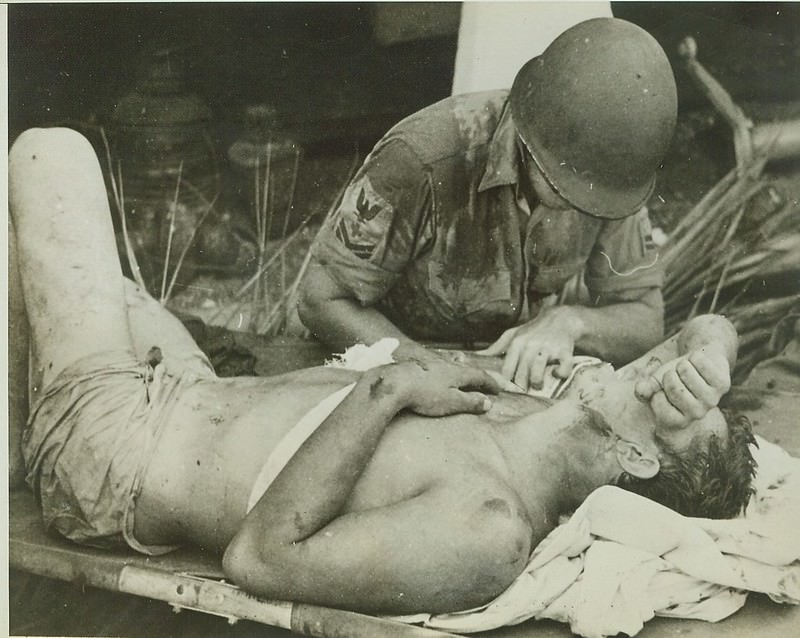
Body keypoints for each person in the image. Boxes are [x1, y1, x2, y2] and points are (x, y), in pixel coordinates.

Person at [10, 128, 755, 616]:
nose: (666, 371)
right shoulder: (536, 409)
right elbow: (696, 332)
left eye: (676, 397)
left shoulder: (490, 529)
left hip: (115, 454)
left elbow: (261, 558)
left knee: (50, 153)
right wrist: (713, 357)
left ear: (635, 456)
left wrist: (391, 385)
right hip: (185, 382)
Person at [298, 17, 677, 391]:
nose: (582, 206)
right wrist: (423, 367)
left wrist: (570, 322)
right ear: (531, 137)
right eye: (569, 183)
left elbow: (644, 320)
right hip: (385, 364)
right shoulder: (420, 161)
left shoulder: (612, 179)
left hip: (502, 382)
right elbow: (321, 300)